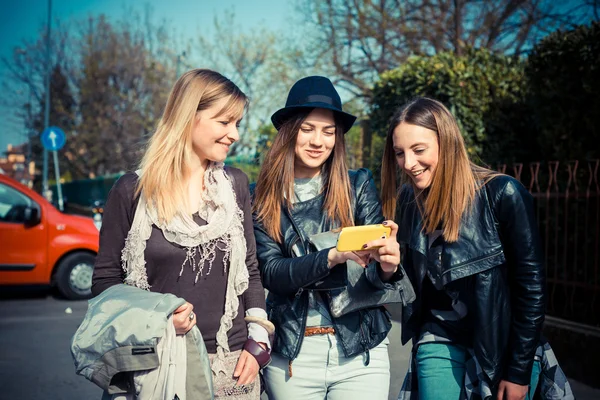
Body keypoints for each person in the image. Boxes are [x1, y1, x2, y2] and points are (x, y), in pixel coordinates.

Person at [91, 69, 272, 399]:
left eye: (238, 124)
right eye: (224, 121)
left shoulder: (236, 186)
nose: (234, 134)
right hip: (154, 365)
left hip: (231, 366)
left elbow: (251, 271)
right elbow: (105, 283)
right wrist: (157, 324)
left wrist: (257, 341)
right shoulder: (131, 191)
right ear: (189, 116)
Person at [380, 97, 562, 400]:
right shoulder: (408, 201)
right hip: (437, 337)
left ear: (447, 143)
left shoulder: (502, 193)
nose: (409, 163)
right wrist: (389, 269)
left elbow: (531, 289)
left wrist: (517, 371)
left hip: (501, 345)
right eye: (400, 153)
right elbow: (411, 289)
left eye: (419, 150)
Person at [251, 75, 402, 400]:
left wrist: (388, 265)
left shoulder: (357, 186)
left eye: (328, 131)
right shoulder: (261, 198)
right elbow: (273, 274)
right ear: (289, 131)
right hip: (292, 356)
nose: (318, 140)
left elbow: (374, 274)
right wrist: (331, 256)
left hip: (361, 351)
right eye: (308, 129)